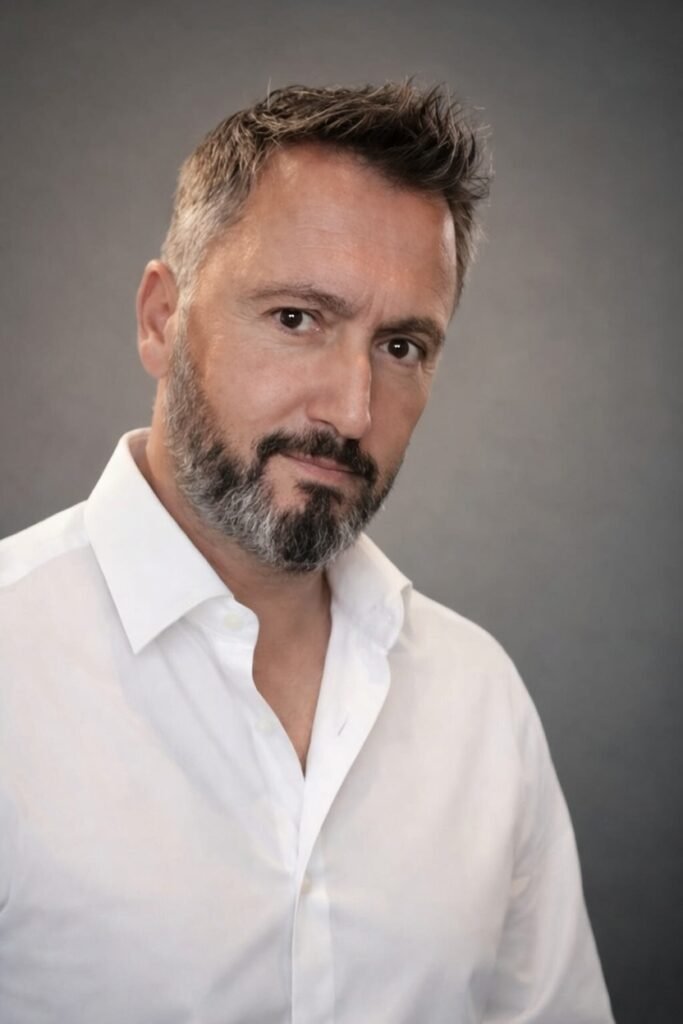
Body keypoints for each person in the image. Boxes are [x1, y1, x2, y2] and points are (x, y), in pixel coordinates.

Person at [0, 83, 614, 1023]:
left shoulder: (477, 699)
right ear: (162, 318)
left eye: (400, 346)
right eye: (297, 319)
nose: (351, 410)